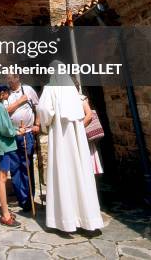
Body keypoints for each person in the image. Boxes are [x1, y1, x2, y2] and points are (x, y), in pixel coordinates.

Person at [37, 62, 104, 232]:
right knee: (81, 173)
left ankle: (66, 220)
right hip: (77, 138)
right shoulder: (74, 92)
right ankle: (89, 219)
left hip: (60, 138)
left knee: (62, 173)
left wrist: (44, 125)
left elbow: (44, 111)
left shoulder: (50, 89)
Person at [4, 74, 40, 211]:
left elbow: (38, 108)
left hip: (27, 133)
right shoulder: (6, 94)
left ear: (18, 77)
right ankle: (22, 198)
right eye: (7, 77)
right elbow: (5, 111)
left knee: (26, 165)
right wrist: (20, 101)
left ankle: (28, 199)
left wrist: (37, 123)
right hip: (12, 135)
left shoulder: (28, 90)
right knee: (14, 168)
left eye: (11, 77)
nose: (9, 79)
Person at [0, 83, 25, 227]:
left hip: (5, 147)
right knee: (3, 178)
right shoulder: (0, 107)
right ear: (4, 93)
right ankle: (5, 215)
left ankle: (5, 212)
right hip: (4, 148)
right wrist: (16, 132)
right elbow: (4, 128)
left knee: (3, 177)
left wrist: (16, 129)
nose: (9, 95)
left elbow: (6, 125)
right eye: (8, 93)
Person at [80, 91, 104, 175]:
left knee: (88, 152)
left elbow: (89, 115)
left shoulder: (81, 98)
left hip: (84, 131)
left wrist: (79, 128)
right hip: (83, 132)